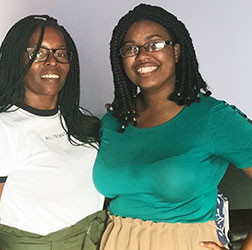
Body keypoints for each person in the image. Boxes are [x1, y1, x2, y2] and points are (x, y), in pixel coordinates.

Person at [93, 4, 252, 250]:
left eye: (154, 44)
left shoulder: (212, 117)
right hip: (115, 242)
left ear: (176, 52)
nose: (143, 55)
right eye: (131, 49)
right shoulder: (114, 120)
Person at [0, 15, 105, 250]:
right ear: (17, 60)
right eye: (38, 53)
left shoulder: (80, 120)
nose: (52, 61)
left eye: (61, 53)